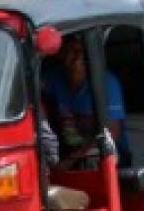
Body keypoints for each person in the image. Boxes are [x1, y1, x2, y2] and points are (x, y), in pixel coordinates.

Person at [44, 36, 128, 168]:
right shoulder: (54, 78)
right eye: (72, 51)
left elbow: (112, 132)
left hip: (107, 154)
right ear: (61, 53)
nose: (78, 58)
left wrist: (72, 160)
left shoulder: (106, 82)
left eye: (82, 52)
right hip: (69, 152)